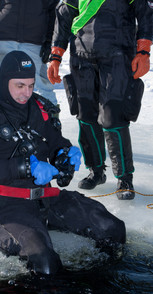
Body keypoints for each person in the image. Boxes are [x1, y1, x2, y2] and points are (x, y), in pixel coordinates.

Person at [0, 50, 126, 275]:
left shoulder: (37, 108)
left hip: (45, 198)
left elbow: (54, 141)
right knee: (45, 264)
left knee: (113, 229)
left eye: (31, 85)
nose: (27, 93)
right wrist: (24, 167)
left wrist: (64, 154)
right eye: (19, 86)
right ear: (6, 80)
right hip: (6, 205)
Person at [47, 0, 153, 200]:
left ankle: (124, 178)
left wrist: (144, 50)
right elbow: (63, 15)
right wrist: (56, 55)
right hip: (81, 54)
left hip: (118, 55)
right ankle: (96, 171)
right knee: (85, 115)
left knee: (113, 117)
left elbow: (146, 12)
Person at [0, 0, 59, 110]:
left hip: (35, 40)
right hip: (4, 38)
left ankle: (51, 122)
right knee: (7, 86)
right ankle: (8, 123)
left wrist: (50, 41)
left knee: (43, 85)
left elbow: (54, 10)